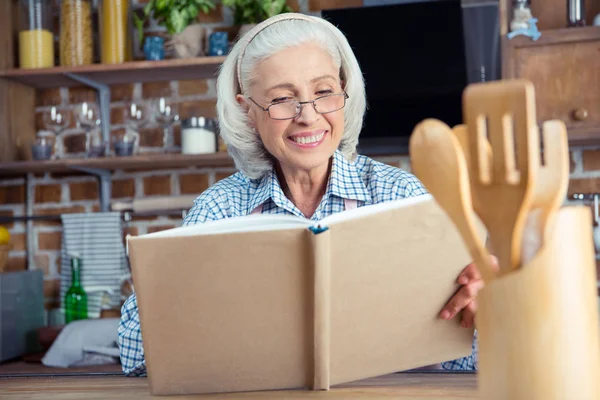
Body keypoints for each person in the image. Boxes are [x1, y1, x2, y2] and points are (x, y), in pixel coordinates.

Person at [118, 12, 496, 377]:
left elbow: (467, 356)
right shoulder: (221, 208)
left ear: (345, 94)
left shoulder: (399, 195)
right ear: (247, 110)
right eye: (283, 99)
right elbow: (134, 354)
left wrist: (489, 307)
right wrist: (180, 293)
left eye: (324, 92)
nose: (308, 115)